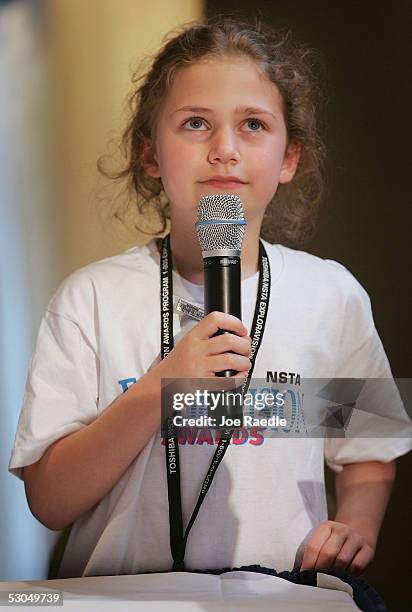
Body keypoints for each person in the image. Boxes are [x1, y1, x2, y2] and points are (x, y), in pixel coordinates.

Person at [9, 17, 411, 579]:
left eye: (252, 125)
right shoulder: (91, 298)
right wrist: (160, 387)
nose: (224, 150)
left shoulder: (330, 296)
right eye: (196, 123)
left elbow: (369, 450)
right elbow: (49, 501)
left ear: (289, 158)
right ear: (151, 155)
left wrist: (357, 526)